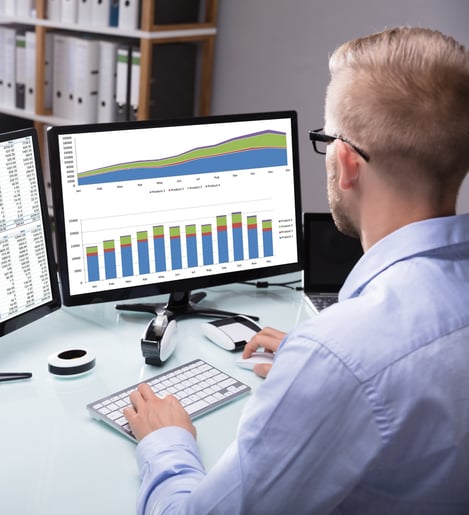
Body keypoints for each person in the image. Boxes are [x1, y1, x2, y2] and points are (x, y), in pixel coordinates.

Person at [123, 26, 469, 514]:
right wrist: (320, 366)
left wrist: (167, 444)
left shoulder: (341, 357)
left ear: (346, 162)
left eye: (326, 139)